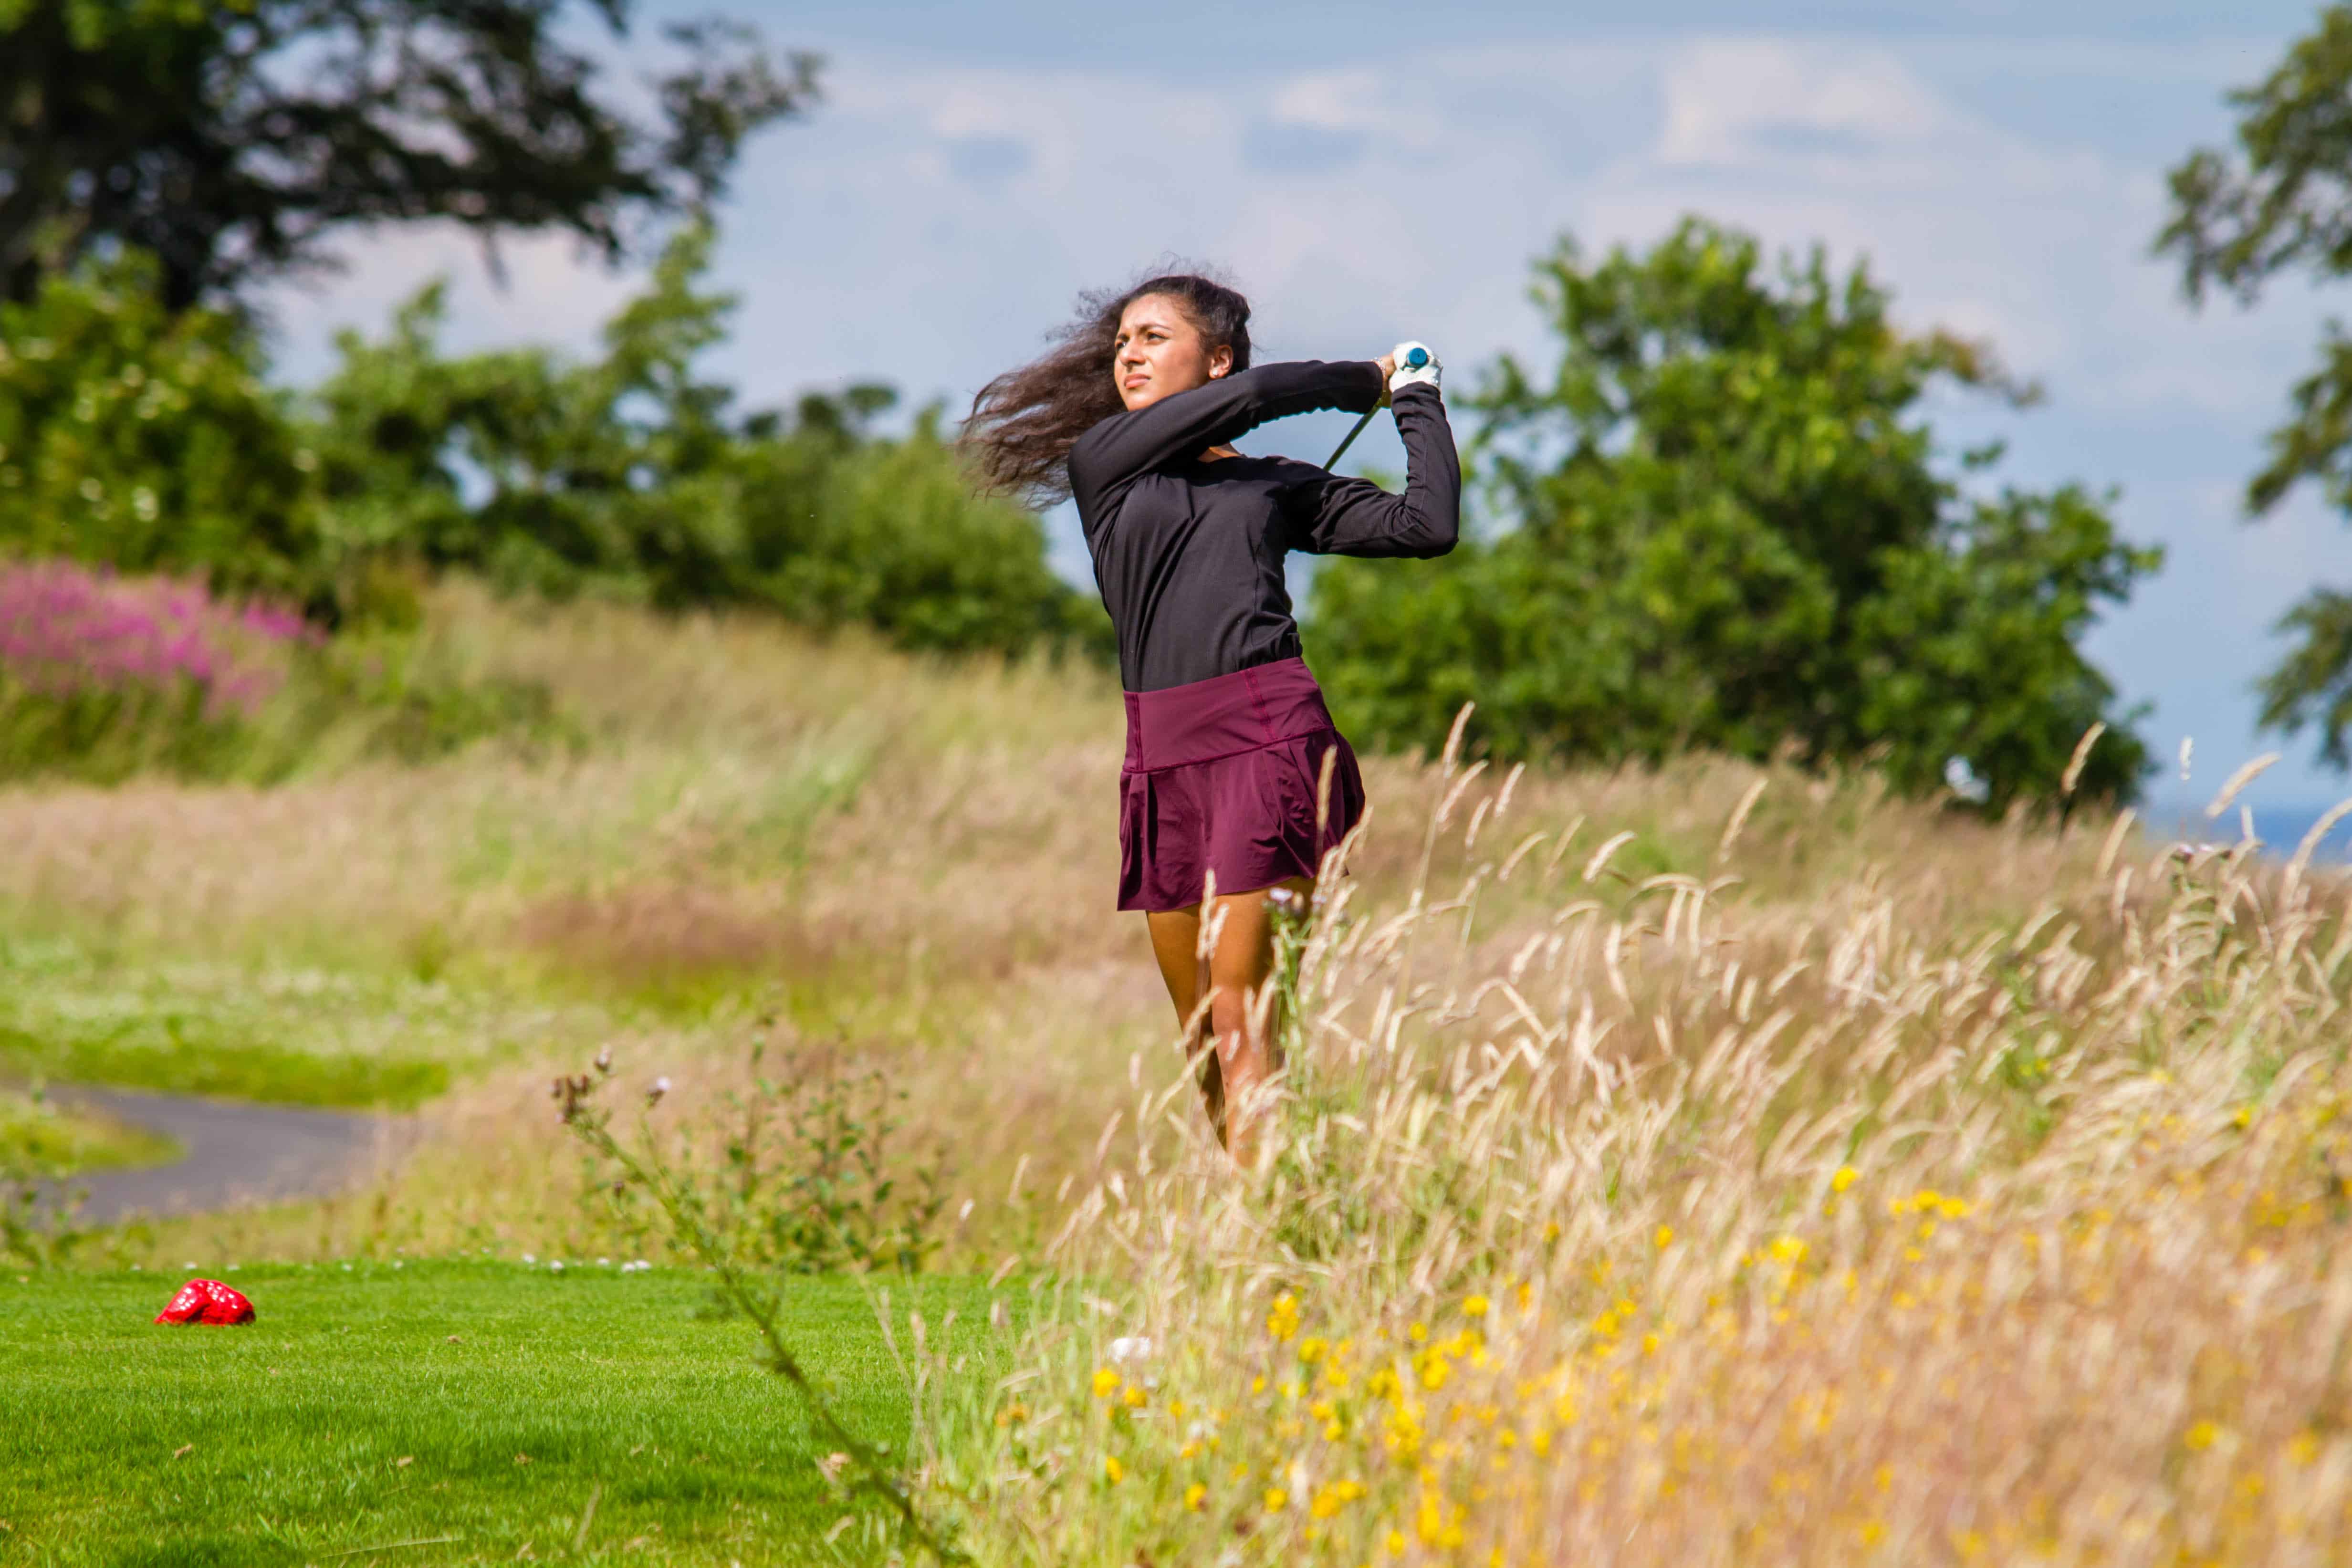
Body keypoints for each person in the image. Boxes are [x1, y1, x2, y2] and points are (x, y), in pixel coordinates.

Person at [964, 272, 1459, 1165]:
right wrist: (1362, 378)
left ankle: (1266, 1258)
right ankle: (1280, 1223)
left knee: (1241, 1013)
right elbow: (1264, 396)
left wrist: (1413, 401)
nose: (1128, 354)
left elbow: (1426, 525)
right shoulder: (1106, 463)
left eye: (1153, 337)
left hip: (1270, 740)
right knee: (1205, 1039)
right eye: (1122, 341)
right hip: (1161, 764)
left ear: (1215, 358)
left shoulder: (1272, 487)